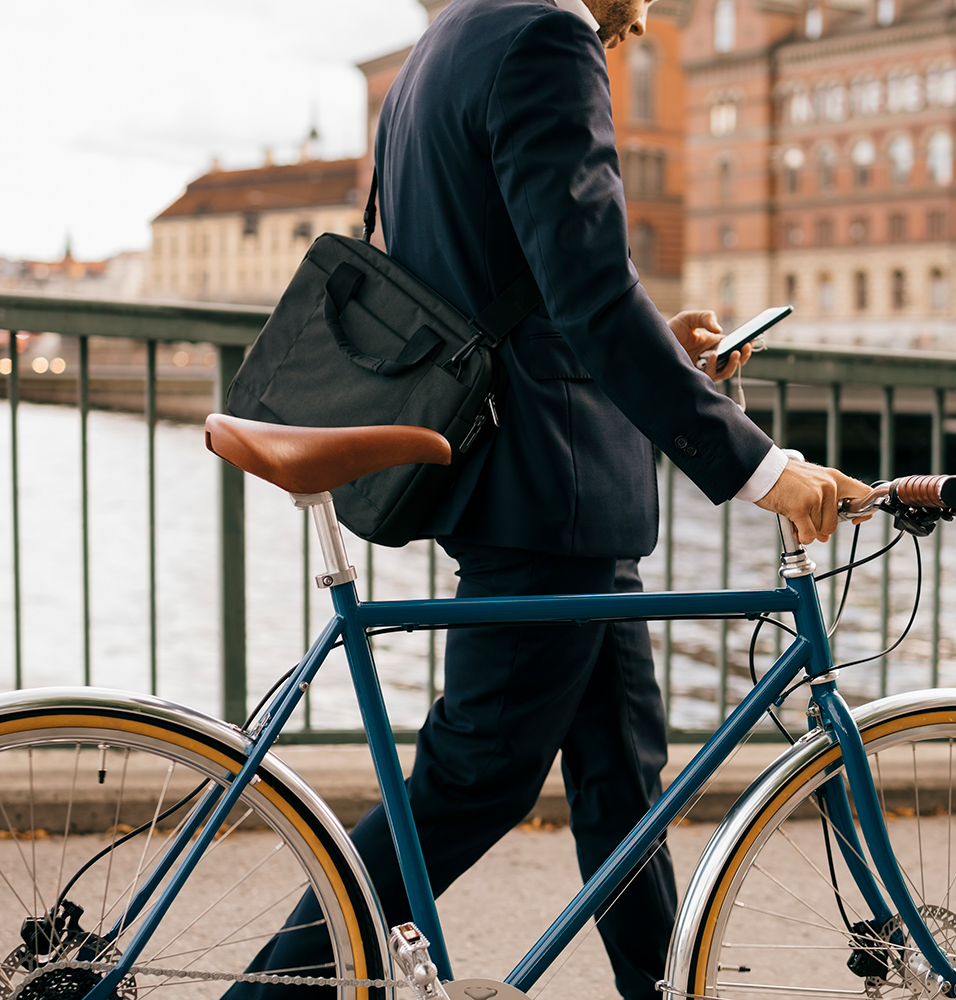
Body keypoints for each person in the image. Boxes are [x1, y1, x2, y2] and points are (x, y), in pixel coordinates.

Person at [226, 1, 869, 997]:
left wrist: (664, 344)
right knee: (472, 781)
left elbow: (513, 271)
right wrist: (759, 468)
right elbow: (588, 294)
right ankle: (264, 995)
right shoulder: (547, 37)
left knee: (624, 786)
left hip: (550, 485)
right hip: (545, 490)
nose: (646, 21)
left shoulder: (445, 41)